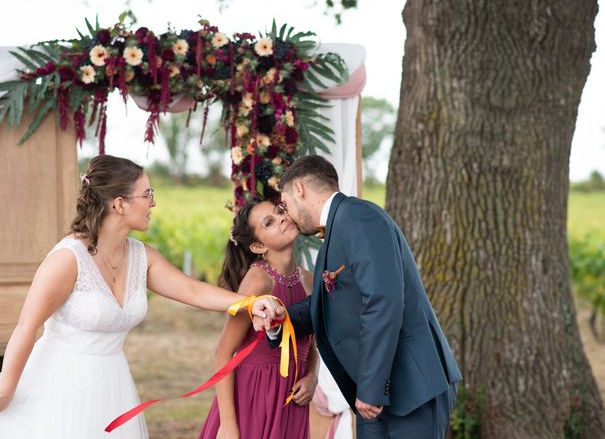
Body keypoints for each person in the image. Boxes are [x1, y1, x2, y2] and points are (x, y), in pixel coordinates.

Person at [0, 155, 278, 439]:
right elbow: (26, 326)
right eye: (147, 194)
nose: (153, 202)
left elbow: (193, 291)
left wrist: (249, 302)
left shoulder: (141, 257)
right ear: (120, 204)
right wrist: (5, 391)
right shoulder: (68, 259)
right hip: (59, 385)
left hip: (112, 386)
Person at [268, 155, 462, 438]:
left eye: (285, 204)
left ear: (299, 189)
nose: (289, 215)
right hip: (374, 395)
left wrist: (371, 389)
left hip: (409, 388)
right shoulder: (338, 229)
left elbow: (383, 302)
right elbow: (328, 303)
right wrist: (282, 319)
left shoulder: (360, 217)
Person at [199, 199, 319, 439]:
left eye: (280, 211)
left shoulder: (309, 280)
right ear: (257, 246)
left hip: (291, 398)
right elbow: (223, 354)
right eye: (269, 222)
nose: (282, 219)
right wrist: (229, 424)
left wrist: (312, 377)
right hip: (256, 393)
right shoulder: (259, 281)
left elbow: (312, 344)